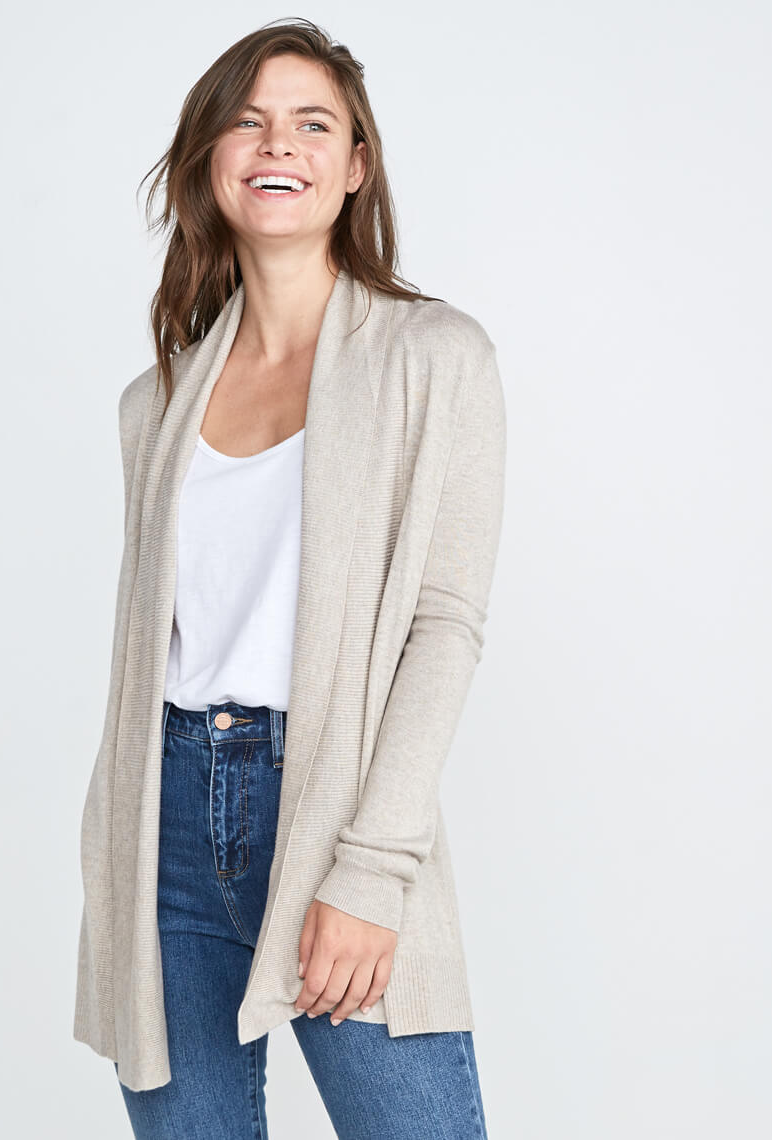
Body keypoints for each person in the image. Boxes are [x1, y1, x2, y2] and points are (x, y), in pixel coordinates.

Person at [73, 18, 506, 1139]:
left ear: (355, 165)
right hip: (165, 821)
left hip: (329, 804)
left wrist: (370, 870)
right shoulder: (154, 403)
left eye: (313, 123)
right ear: (209, 159)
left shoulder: (432, 357)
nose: (279, 144)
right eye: (249, 121)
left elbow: (443, 625)